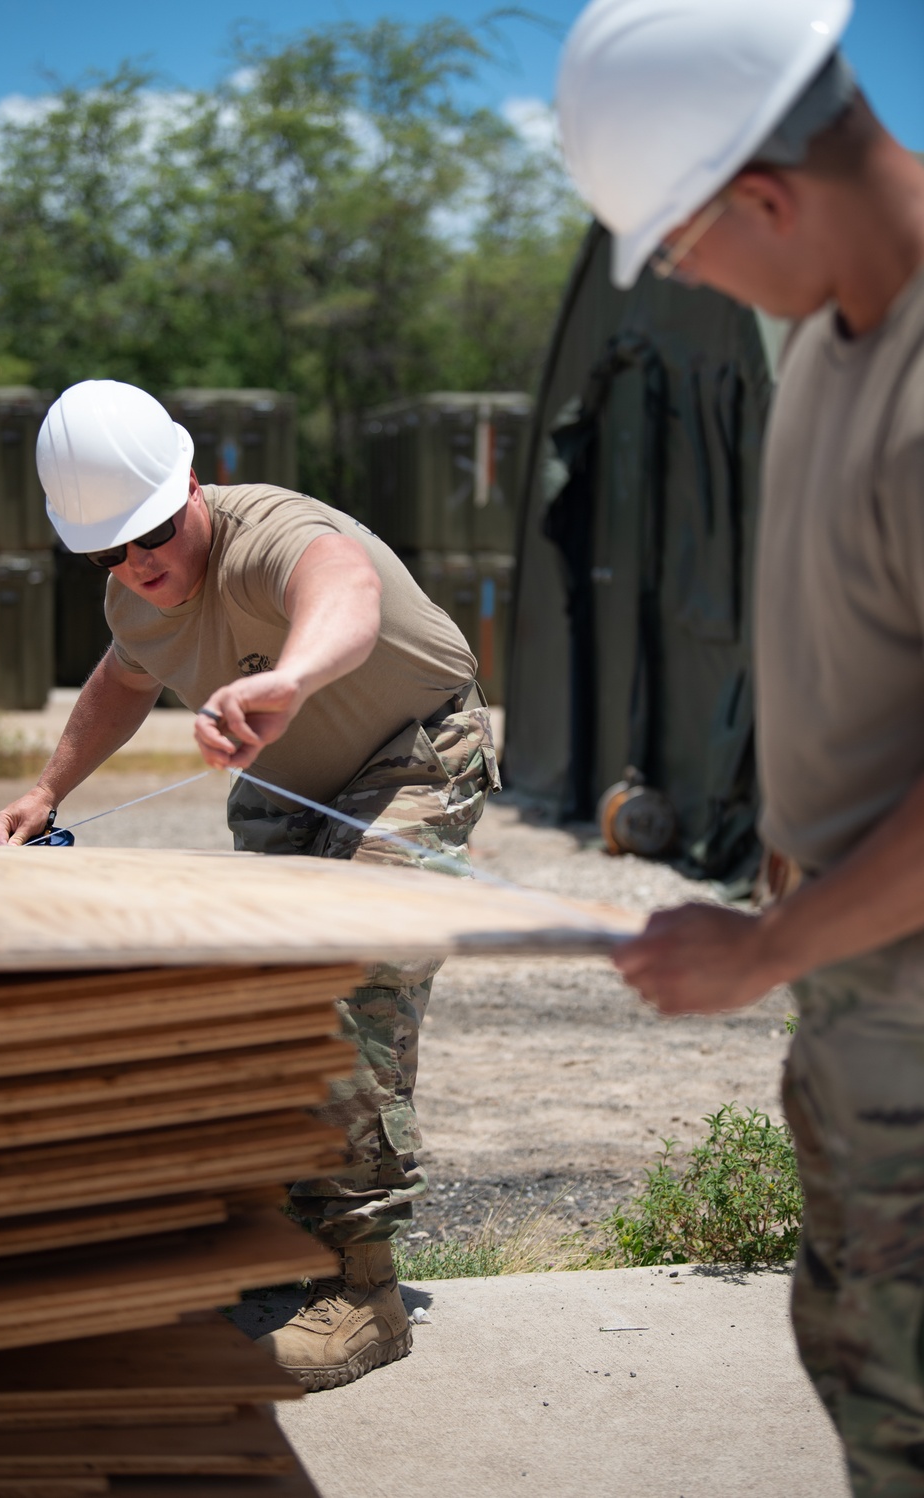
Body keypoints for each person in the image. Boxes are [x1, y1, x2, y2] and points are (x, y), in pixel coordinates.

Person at [558, 1, 924, 1491]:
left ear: (763, 195)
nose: (687, 281)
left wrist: (766, 949)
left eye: (684, 246)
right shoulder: (835, 338)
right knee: (874, 1383)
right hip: (870, 1004)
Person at [0, 378, 500, 1390]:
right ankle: (285, 1242)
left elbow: (344, 590)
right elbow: (123, 677)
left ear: (193, 480)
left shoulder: (270, 532)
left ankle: (364, 1292)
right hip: (290, 787)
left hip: (413, 755)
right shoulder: (131, 596)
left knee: (352, 977)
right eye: (107, 554)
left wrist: (288, 680)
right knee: (257, 1002)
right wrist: (49, 785)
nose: (139, 566)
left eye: (151, 534)